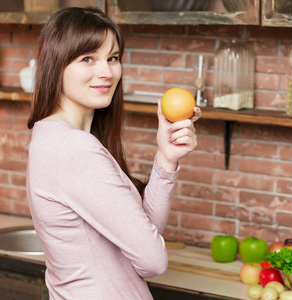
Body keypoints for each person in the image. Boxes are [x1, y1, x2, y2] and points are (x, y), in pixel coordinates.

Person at [26, 7, 201, 300]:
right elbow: (153, 261)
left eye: (113, 58)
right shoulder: (74, 149)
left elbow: (143, 235)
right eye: (87, 59)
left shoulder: (50, 136)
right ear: (57, 65)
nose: (107, 72)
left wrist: (166, 159)